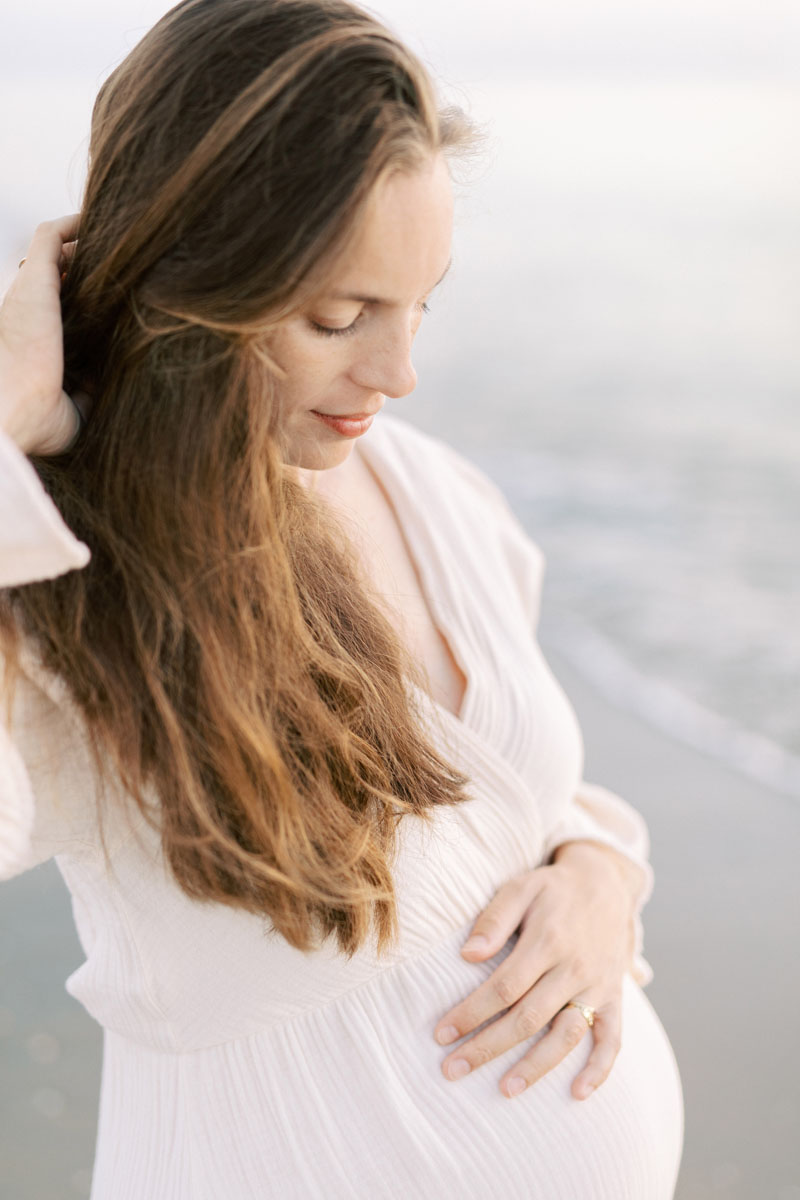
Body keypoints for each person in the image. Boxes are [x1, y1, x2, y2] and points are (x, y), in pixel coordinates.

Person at [0, 0, 684, 1196]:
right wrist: (4, 440)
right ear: (186, 284)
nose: (398, 373)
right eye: (336, 317)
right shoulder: (61, 572)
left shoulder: (432, 491)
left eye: (421, 304)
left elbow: (505, 802)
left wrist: (597, 871)